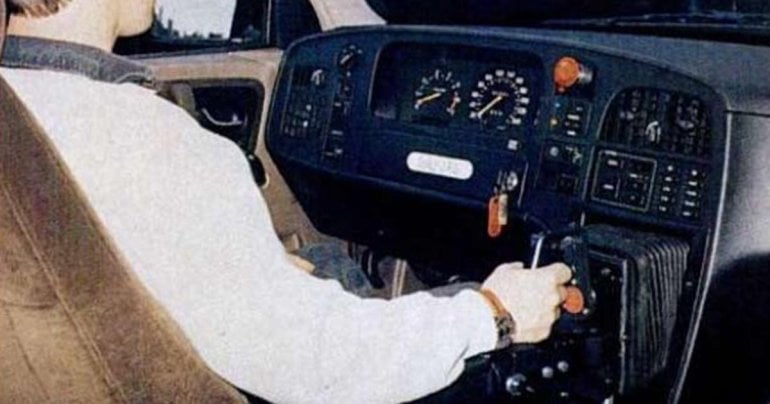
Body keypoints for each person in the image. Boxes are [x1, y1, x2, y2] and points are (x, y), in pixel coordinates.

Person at [0, 0, 572, 402]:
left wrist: (245, 271)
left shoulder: (21, 112)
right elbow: (313, 363)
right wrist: (492, 313)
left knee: (323, 264)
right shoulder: (151, 141)